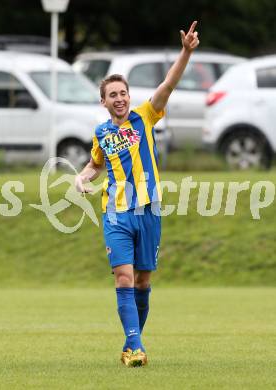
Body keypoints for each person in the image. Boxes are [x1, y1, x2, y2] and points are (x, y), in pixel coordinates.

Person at [75, 21, 199, 367]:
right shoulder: (101, 133)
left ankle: (132, 343)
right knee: (124, 276)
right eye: (112, 95)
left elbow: (168, 84)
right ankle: (136, 347)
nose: (119, 98)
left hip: (148, 210)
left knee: (143, 281)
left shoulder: (145, 116)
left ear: (129, 96)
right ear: (103, 101)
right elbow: (94, 165)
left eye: (123, 93)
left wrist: (186, 52)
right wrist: (80, 179)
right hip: (116, 214)